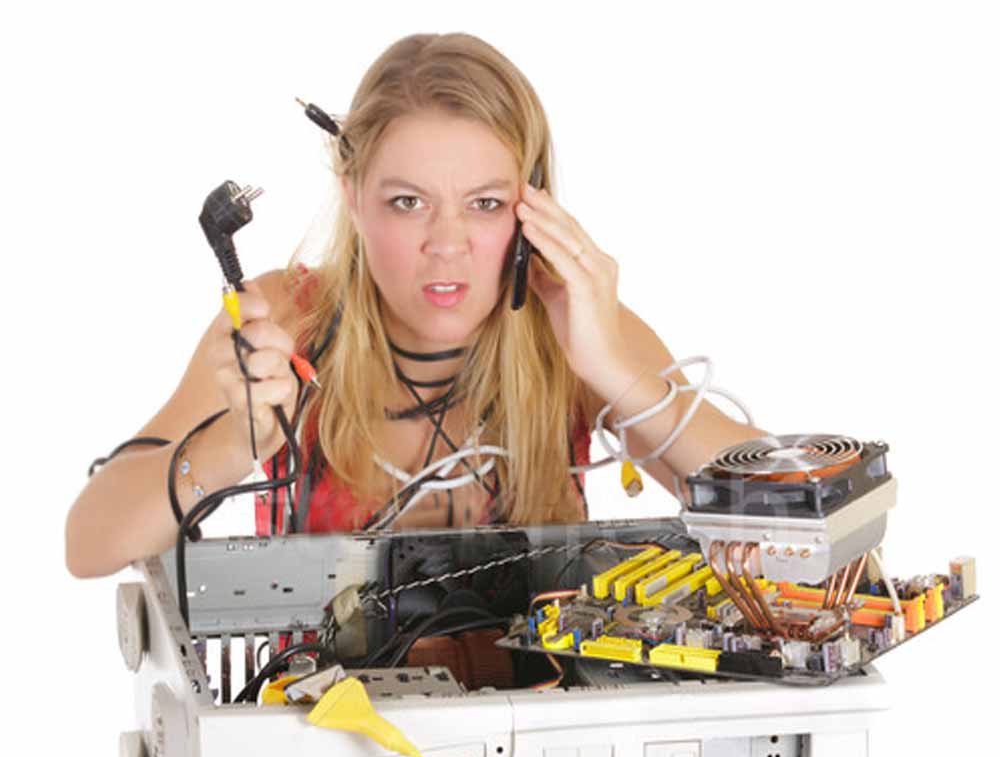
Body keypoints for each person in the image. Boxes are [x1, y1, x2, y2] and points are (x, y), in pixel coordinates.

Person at [65, 32, 765, 580]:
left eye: (484, 203)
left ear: (532, 208)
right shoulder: (288, 318)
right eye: (408, 202)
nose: (447, 244)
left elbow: (786, 531)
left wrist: (616, 373)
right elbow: (88, 543)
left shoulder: (574, 323)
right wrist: (233, 442)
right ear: (353, 196)